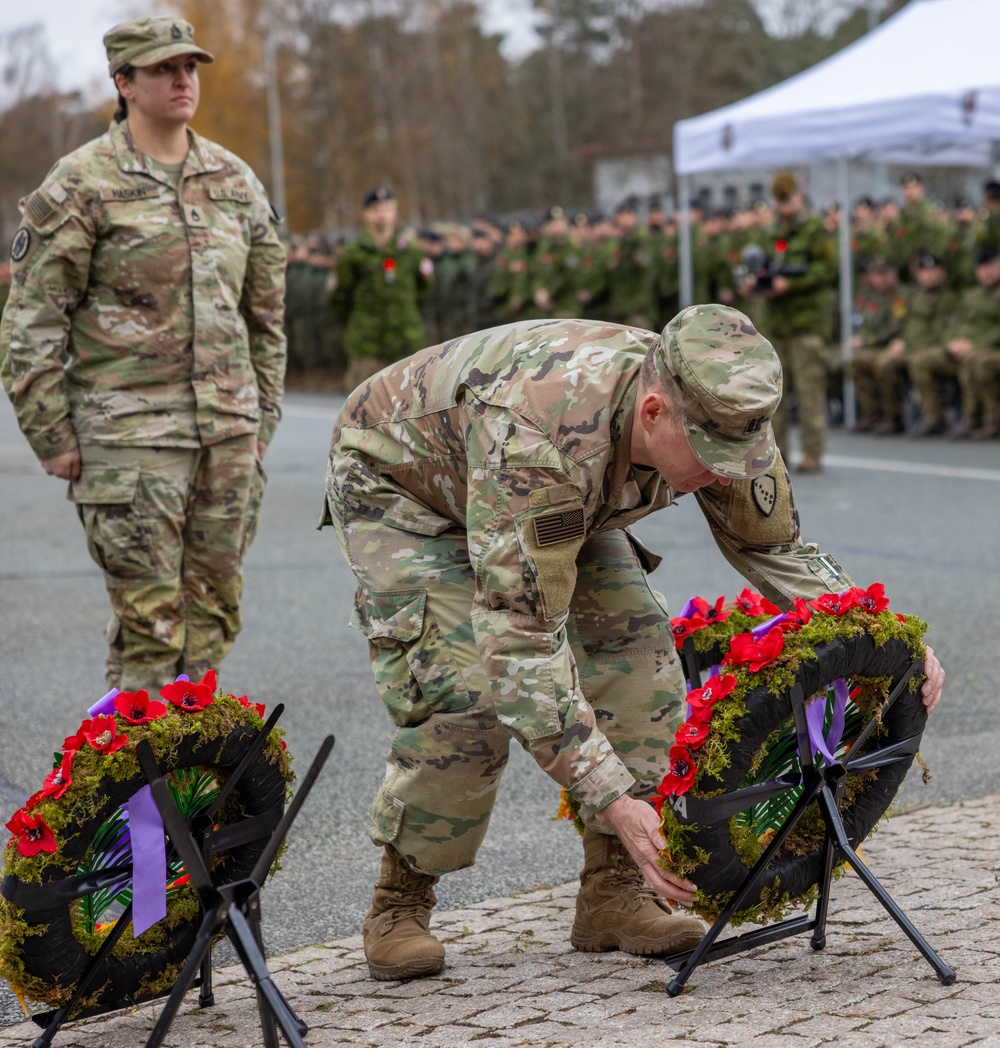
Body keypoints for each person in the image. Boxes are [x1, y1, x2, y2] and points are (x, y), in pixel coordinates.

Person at [322, 304, 944, 981]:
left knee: (641, 658)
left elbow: (778, 549)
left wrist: (893, 643)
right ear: (654, 414)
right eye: (710, 460)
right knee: (466, 697)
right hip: (408, 492)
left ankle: (614, 893)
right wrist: (612, 797)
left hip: (559, 496)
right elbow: (522, 640)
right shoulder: (542, 442)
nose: (724, 475)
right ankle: (401, 900)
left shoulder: (724, 406)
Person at [0, 17, 286, 691]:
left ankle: (193, 780)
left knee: (212, 619)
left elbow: (267, 315)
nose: (183, 79)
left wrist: (262, 419)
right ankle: (138, 791)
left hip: (228, 435)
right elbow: (33, 321)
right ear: (124, 83)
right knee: (150, 627)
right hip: (127, 440)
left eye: (190, 67)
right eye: (163, 69)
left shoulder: (234, 180)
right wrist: (52, 434)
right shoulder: (82, 184)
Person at [742, 172, 837, 474]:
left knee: (810, 394)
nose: (784, 206)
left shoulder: (813, 230)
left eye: (788, 199)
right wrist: (755, 283)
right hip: (776, 324)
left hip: (806, 323)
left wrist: (791, 285)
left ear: (798, 195)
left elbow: (827, 269)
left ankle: (813, 453)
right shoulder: (770, 232)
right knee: (774, 397)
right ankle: (776, 454)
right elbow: (761, 268)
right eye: (779, 200)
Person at [330, 186, 431, 389]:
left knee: (411, 409)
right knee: (365, 410)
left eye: (387, 208)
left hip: (407, 342)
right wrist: (358, 326)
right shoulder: (353, 253)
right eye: (376, 209)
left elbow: (424, 288)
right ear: (365, 214)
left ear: (395, 212)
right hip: (368, 346)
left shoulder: (410, 250)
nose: (382, 214)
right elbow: (339, 298)